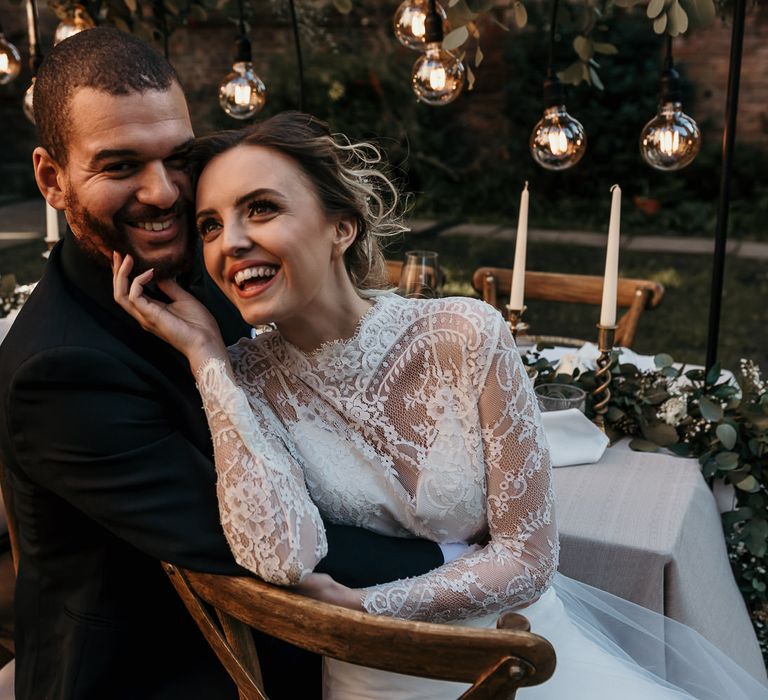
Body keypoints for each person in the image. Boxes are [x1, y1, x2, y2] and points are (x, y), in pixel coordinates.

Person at [113, 112, 768, 700]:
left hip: (521, 659)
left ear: (340, 226)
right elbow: (282, 556)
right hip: (375, 682)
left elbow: (531, 559)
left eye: (260, 209)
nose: (230, 242)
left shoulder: (464, 335)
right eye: (210, 225)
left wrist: (365, 606)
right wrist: (209, 362)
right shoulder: (251, 380)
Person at [0, 28, 446, 700]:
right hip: (162, 670)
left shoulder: (205, 267)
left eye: (179, 158)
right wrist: (458, 557)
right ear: (51, 178)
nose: (163, 192)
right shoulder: (59, 373)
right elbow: (253, 535)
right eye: (119, 166)